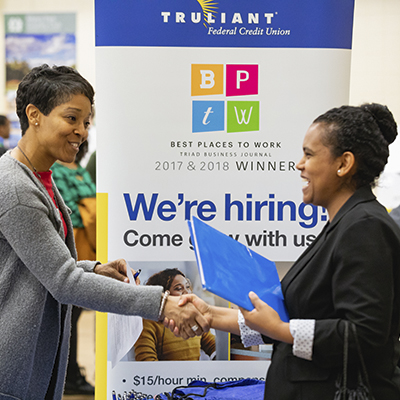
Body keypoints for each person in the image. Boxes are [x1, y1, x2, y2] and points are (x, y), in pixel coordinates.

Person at [0, 64, 209, 400]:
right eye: (71, 119)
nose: (81, 131)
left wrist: (95, 269)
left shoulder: (40, 180)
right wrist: (160, 303)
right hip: (13, 371)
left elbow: (40, 266)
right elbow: (63, 281)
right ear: (34, 115)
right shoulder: (17, 189)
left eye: (86, 122)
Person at [174, 103, 400, 399]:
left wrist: (281, 329)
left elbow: (363, 335)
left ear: (343, 164)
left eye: (309, 154)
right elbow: (291, 316)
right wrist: (210, 314)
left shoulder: (365, 226)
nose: (299, 164)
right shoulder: (342, 225)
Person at [51, 141, 96, 395]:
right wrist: (90, 209)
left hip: (88, 245)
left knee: (75, 315)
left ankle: (72, 373)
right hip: (72, 245)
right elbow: (68, 213)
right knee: (67, 315)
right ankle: (68, 376)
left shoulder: (78, 168)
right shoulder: (56, 171)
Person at [135, 268, 215, 361]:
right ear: (164, 296)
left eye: (188, 287)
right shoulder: (148, 323)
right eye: (179, 288)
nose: (187, 292)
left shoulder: (193, 318)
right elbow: (146, 363)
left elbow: (213, 346)